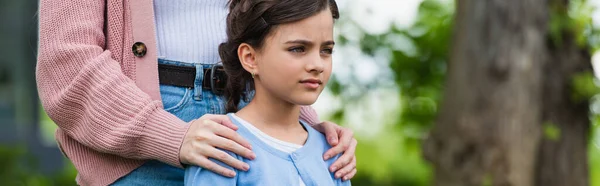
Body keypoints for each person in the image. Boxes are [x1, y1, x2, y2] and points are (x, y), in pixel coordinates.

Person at [36, 0, 357, 185]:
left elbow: (286, 30)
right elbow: (67, 63)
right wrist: (170, 136)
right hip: (135, 139)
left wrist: (304, 133)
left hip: (251, 122)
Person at [185, 0, 350, 185]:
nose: (317, 65)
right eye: (297, 49)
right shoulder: (220, 147)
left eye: (326, 50)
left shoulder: (332, 153)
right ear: (251, 58)